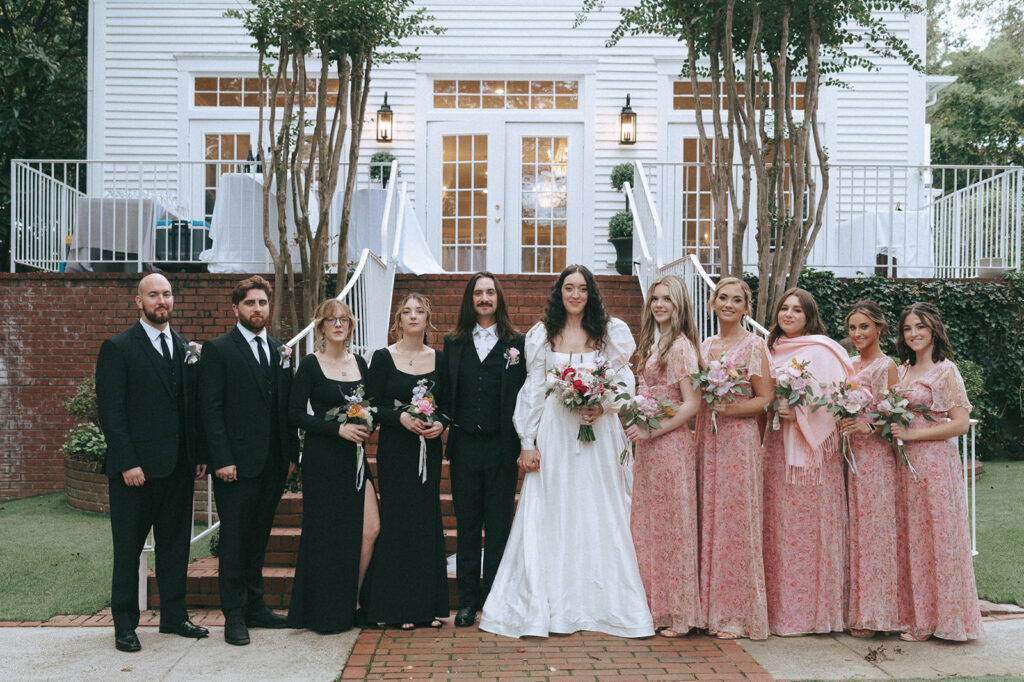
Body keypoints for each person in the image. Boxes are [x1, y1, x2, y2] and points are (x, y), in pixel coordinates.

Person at [479, 265, 654, 639]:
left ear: (591, 294)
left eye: (582, 289)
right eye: (568, 288)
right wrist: (527, 441)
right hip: (557, 432)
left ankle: (600, 604)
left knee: (599, 506)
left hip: (598, 431)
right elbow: (534, 388)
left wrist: (603, 403)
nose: (575, 295)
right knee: (554, 509)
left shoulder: (610, 332)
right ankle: (552, 602)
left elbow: (623, 381)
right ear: (559, 293)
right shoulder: (543, 334)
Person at [95, 273, 209, 652]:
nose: (162, 300)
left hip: (177, 468)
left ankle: (174, 618)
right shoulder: (118, 347)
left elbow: (191, 410)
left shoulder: (184, 347)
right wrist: (128, 462)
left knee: (175, 547)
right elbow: (112, 412)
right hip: (135, 472)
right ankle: (125, 625)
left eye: (167, 294)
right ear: (138, 301)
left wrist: (197, 455)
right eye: (153, 295)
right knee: (128, 550)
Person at [198, 275, 299, 646]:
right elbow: (211, 410)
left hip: (272, 464)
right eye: (250, 303)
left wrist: (290, 455)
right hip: (235, 467)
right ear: (236, 309)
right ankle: (234, 616)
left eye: (262, 303)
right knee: (235, 541)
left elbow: (285, 408)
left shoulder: (279, 350)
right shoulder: (219, 349)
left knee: (258, 540)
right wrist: (221, 459)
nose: (257, 309)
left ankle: (256, 606)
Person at [762, 288, 853, 636]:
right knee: (778, 527)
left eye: (797, 310)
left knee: (809, 530)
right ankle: (780, 612)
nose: (788, 315)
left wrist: (796, 409)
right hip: (775, 451)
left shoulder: (823, 350)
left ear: (809, 316)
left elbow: (834, 399)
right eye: (783, 308)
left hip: (811, 456)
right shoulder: (769, 350)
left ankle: (813, 614)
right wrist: (776, 406)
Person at [286, 299, 380, 634]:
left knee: (370, 529)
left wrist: (370, 422)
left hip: (355, 460)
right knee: (327, 537)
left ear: (351, 326)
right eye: (331, 320)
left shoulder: (361, 364)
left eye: (343, 319)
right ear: (321, 327)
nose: (338, 324)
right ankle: (329, 610)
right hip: (322, 460)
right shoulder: (311, 365)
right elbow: (295, 413)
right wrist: (337, 428)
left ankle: (353, 599)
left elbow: (373, 406)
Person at [892, 302, 981, 642]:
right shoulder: (900, 372)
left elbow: (958, 424)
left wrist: (913, 434)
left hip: (935, 464)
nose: (914, 334)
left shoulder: (946, 371)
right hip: (904, 467)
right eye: (908, 329)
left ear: (933, 331)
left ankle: (945, 620)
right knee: (911, 539)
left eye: (920, 327)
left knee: (938, 538)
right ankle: (917, 617)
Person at [442, 273, 527, 628]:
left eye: (490, 292)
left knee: (498, 527)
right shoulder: (453, 342)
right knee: (466, 525)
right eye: (478, 293)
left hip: (501, 447)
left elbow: (526, 394)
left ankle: (494, 598)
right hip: (463, 446)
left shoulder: (516, 343)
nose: (484, 298)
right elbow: (445, 391)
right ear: (470, 299)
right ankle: (466, 603)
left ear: (499, 298)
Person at [366, 293, 450, 629]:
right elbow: (371, 407)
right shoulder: (383, 359)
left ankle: (424, 608)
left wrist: (441, 422)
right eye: (406, 312)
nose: (412, 316)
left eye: (419, 312)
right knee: (397, 522)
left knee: (425, 522)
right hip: (395, 452)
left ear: (428, 319)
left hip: (427, 451)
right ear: (398, 320)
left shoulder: (440, 360)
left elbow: (449, 406)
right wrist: (399, 418)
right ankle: (394, 607)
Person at [626, 275, 703, 637]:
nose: (659, 304)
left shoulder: (681, 347)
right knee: (652, 525)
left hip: (670, 447)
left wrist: (651, 430)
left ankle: (679, 613)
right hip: (650, 449)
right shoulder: (655, 345)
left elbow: (692, 405)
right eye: (655, 298)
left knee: (674, 527)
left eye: (667, 299)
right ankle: (655, 606)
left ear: (679, 305)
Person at [697, 277, 773, 641]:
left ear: (746, 308)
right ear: (713, 303)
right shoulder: (706, 345)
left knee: (734, 522)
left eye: (737, 300)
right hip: (708, 440)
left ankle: (737, 614)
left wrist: (732, 409)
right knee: (709, 516)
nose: (729, 304)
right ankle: (709, 608)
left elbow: (765, 399)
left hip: (739, 441)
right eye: (723, 298)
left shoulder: (755, 346)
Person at [839, 301, 900, 638]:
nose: (858, 334)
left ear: (879, 327)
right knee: (855, 531)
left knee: (874, 533)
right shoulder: (848, 365)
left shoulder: (885, 366)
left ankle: (875, 615)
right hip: (848, 457)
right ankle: (855, 609)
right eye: (852, 328)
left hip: (874, 458)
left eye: (864, 327)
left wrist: (870, 428)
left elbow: (893, 414)